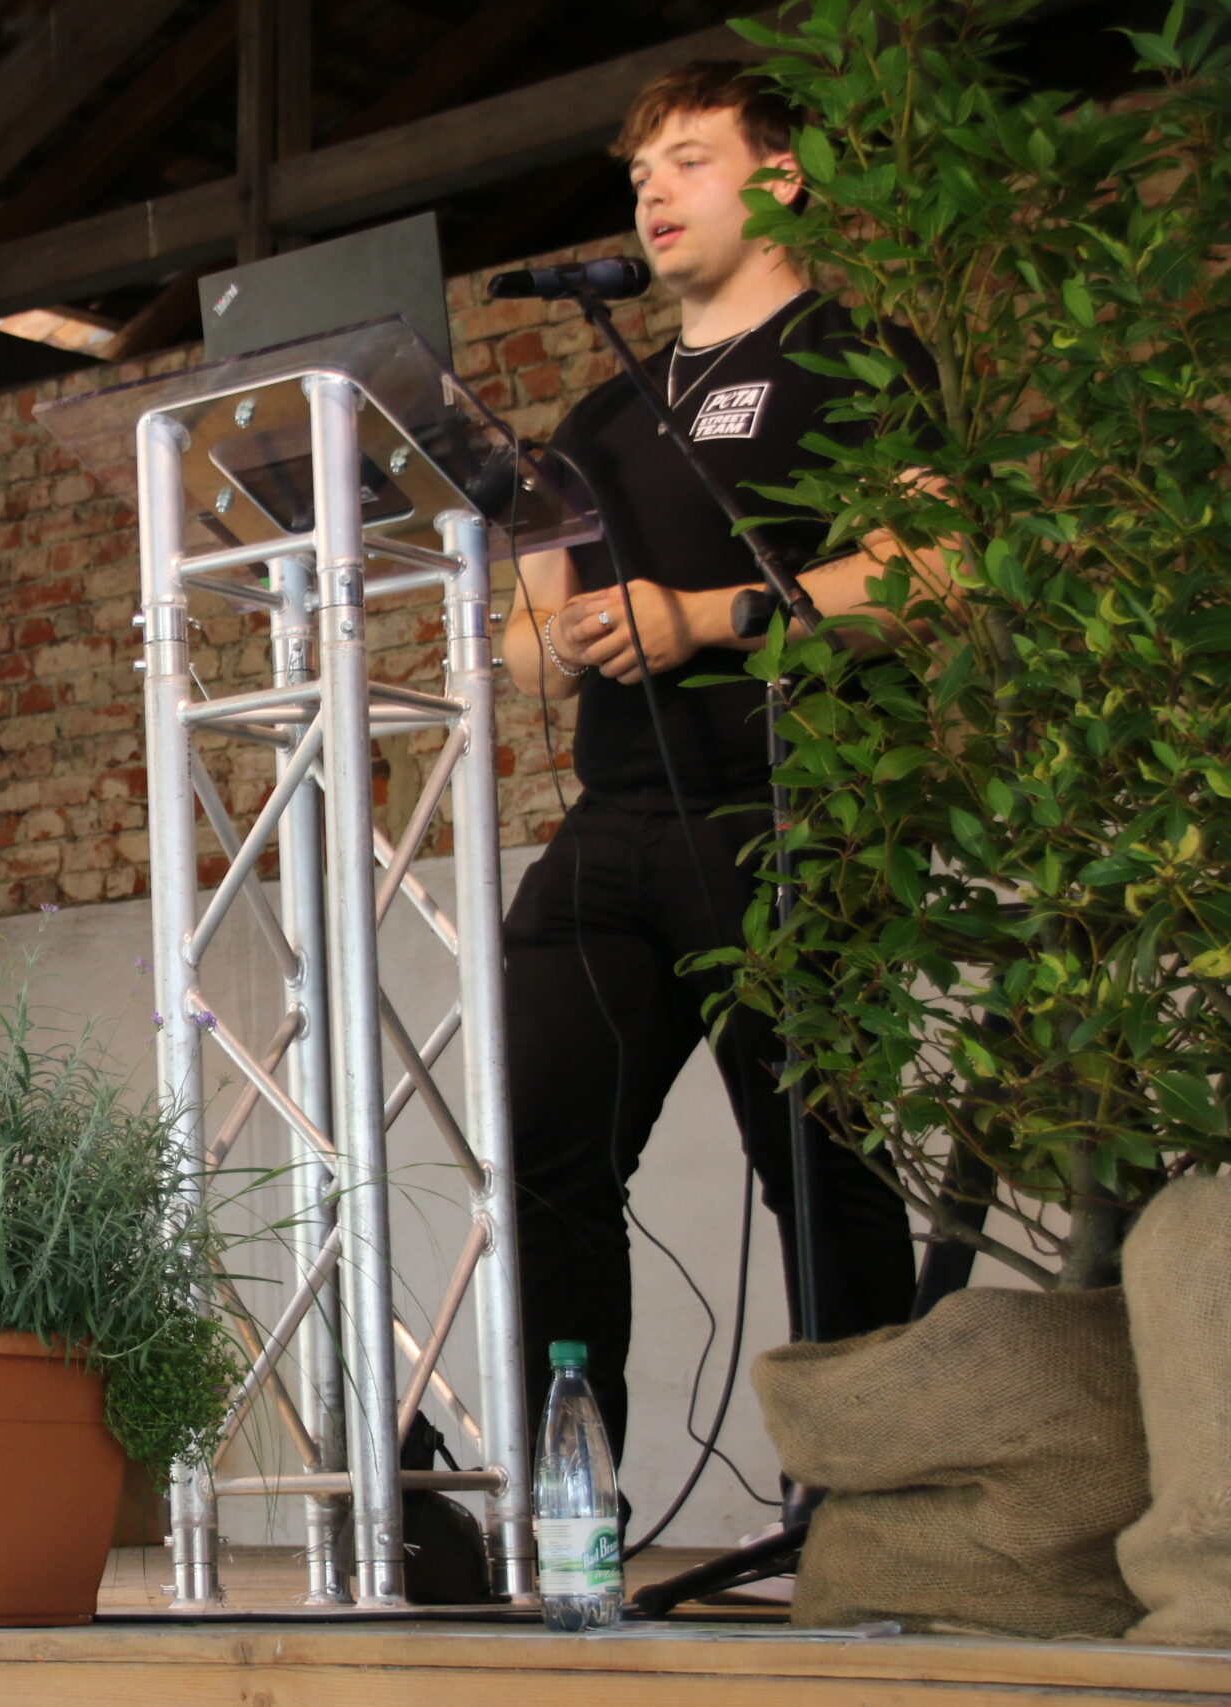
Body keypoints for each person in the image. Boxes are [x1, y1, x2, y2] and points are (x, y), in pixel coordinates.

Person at [501, 61, 943, 1453]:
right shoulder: (595, 420)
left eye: (688, 158)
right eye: (640, 171)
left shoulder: (858, 354)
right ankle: (571, 1513)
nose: (652, 190)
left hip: (793, 808)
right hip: (620, 818)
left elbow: (937, 573)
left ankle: (870, 1511)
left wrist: (711, 616)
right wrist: (560, 636)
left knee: (820, 1168)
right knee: (540, 1159)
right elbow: (521, 640)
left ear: (782, 178)